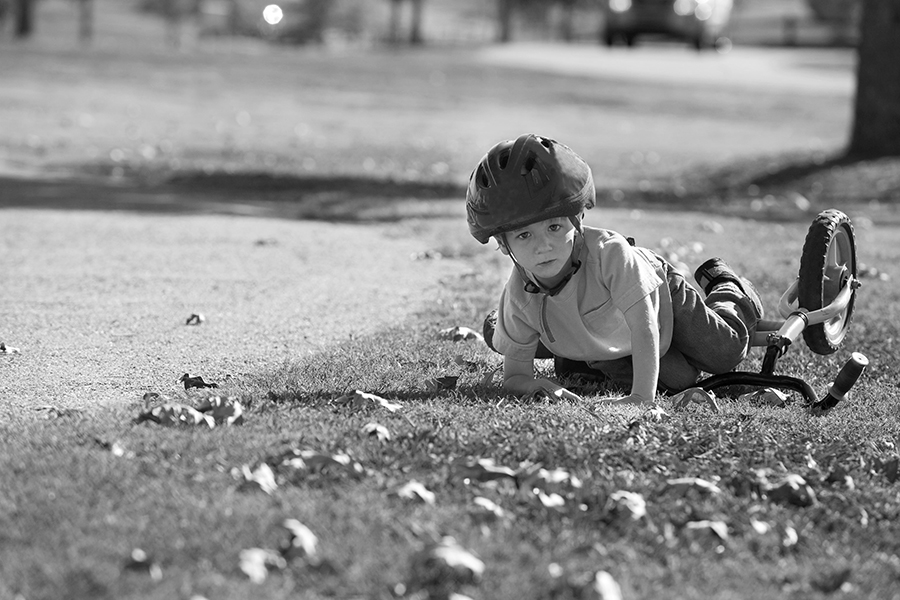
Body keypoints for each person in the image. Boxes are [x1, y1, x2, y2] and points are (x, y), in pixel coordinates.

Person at [466, 133, 763, 404]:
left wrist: (641, 398)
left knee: (725, 352)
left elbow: (644, 327)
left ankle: (728, 288)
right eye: (524, 235)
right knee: (677, 379)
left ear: (577, 220)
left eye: (554, 227)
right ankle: (570, 354)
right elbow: (515, 377)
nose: (543, 246)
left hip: (657, 296)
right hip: (597, 329)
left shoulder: (612, 256)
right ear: (504, 245)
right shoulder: (520, 294)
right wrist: (541, 384)